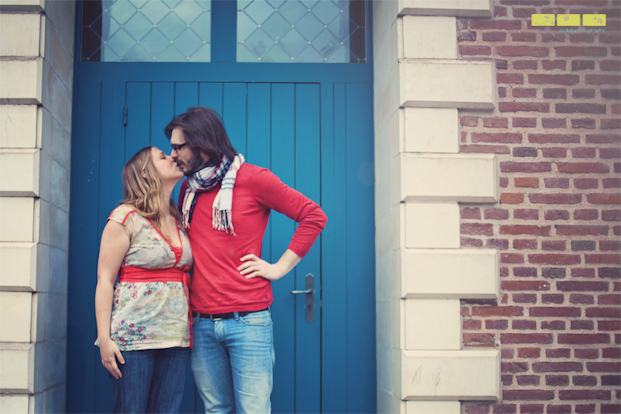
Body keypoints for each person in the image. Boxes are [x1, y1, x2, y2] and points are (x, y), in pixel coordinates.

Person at [165, 107, 327, 414]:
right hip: (199, 322)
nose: (172, 156)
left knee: (254, 410)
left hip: (248, 321)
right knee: (216, 409)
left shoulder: (253, 179)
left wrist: (279, 268)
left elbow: (313, 215)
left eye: (178, 147)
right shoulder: (188, 188)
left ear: (202, 143)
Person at [94, 146, 193, 413]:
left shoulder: (180, 219)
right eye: (163, 156)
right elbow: (104, 280)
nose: (173, 157)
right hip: (134, 338)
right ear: (145, 173)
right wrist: (105, 339)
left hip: (176, 336)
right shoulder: (125, 218)